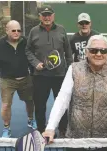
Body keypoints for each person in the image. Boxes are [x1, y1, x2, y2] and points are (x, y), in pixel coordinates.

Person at [42, 35, 107, 151]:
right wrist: (50, 128)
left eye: (103, 50)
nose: (98, 54)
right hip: (76, 140)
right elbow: (62, 100)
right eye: (94, 50)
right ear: (87, 52)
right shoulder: (74, 69)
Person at [0, 20, 37, 138]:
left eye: (19, 30)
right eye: (13, 30)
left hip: (26, 78)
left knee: (30, 101)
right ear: (7, 31)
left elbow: (34, 56)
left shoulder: (26, 42)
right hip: (7, 81)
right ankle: (6, 128)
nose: (16, 33)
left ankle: (31, 119)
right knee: (6, 105)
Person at [25, 5, 73, 137]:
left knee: (62, 104)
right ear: (40, 16)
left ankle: (63, 129)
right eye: (44, 15)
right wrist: (36, 63)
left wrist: (70, 70)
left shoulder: (61, 30)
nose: (47, 17)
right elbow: (28, 50)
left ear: (53, 16)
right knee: (40, 105)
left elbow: (68, 52)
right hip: (40, 76)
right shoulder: (33, 31)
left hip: (60, 75)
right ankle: (41, 130)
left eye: (49, 15)